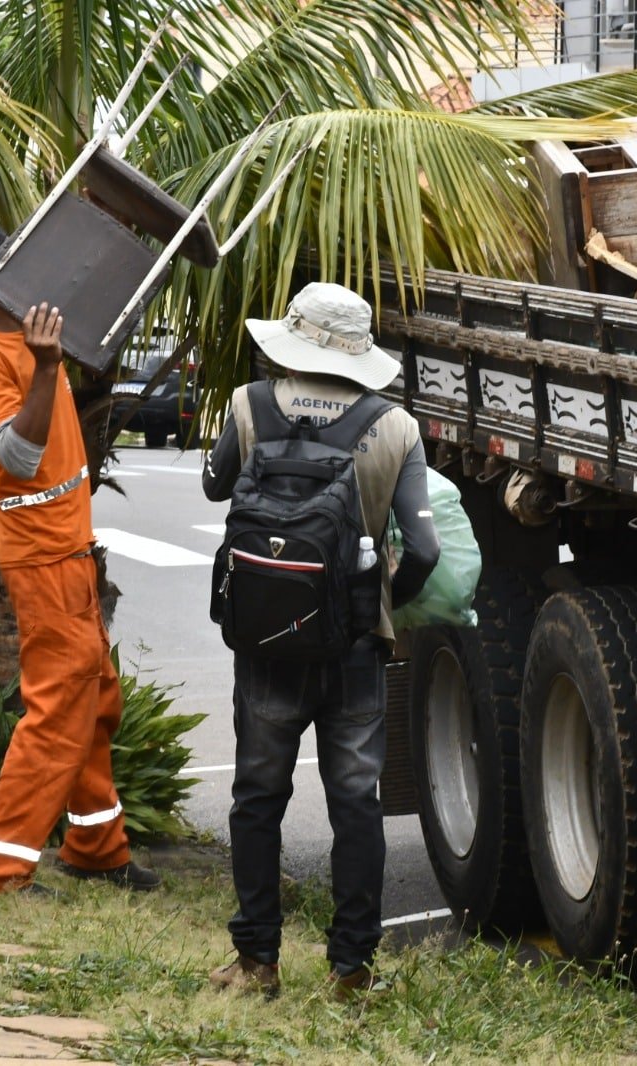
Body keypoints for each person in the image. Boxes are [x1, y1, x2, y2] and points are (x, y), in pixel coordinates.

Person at [202, 281, 440, 999]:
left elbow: (217, 488)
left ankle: (257, 963)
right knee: (355, 803)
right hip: (356, 648)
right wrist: (375, 602)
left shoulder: (250, 404)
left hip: (268, 646)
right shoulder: (394, 426)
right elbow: (425, 549)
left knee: (257, 796)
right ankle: (350, 971)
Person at [0, 216, 160, 896]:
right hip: (42, 558)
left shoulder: (22, 337)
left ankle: (96, 847)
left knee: (92, 701)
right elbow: (18, 456)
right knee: (58, 713)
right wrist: (45, 368)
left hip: (65, 548)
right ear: (0, 274)